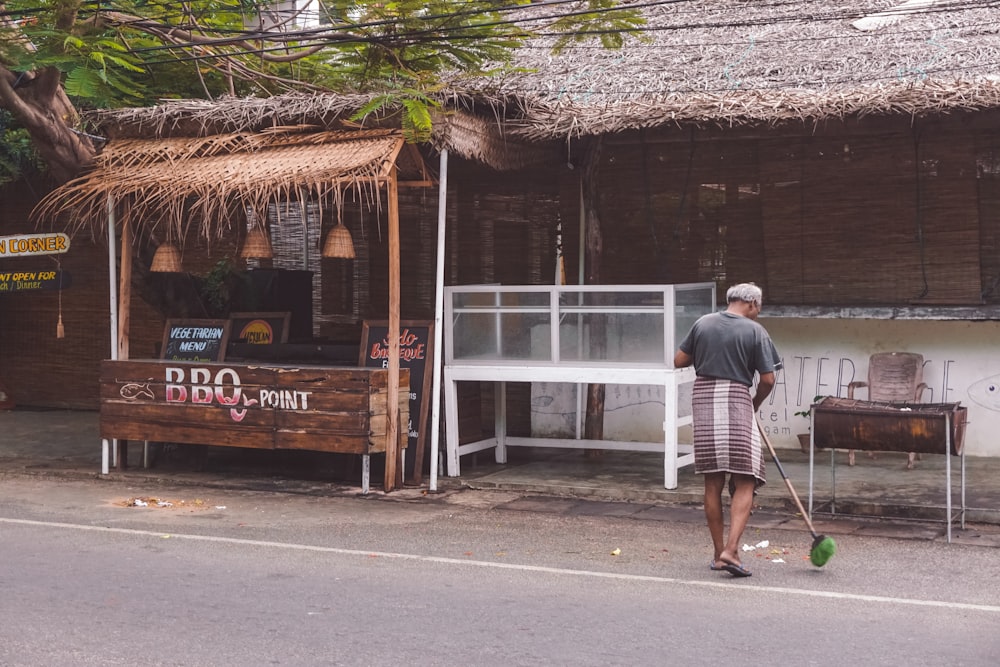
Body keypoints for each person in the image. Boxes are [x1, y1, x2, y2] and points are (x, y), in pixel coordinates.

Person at [673, 282, 782, 578]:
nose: (758, 313)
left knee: (713, 481)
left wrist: (708, 350)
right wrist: (754, 404)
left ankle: (717, 553)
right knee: (746, 479)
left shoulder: (702, 323)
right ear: (751, 303)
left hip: (704, 400)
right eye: (759, 308)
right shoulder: (754, 331)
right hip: (736, 400)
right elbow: (769, 379)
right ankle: (731, 550)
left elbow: (679, 360)